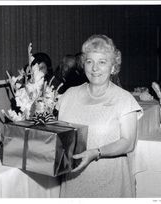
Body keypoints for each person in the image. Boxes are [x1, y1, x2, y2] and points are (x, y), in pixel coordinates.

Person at [57, 34, 143, 197]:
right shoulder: (69, 95)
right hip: (74, 181)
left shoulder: (124, 99)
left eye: (102, 62)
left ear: (113, 67)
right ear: (84, 64)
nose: (95, 68)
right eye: (90, 61)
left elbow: (128, 143)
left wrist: (96, 152)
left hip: (110, 182)